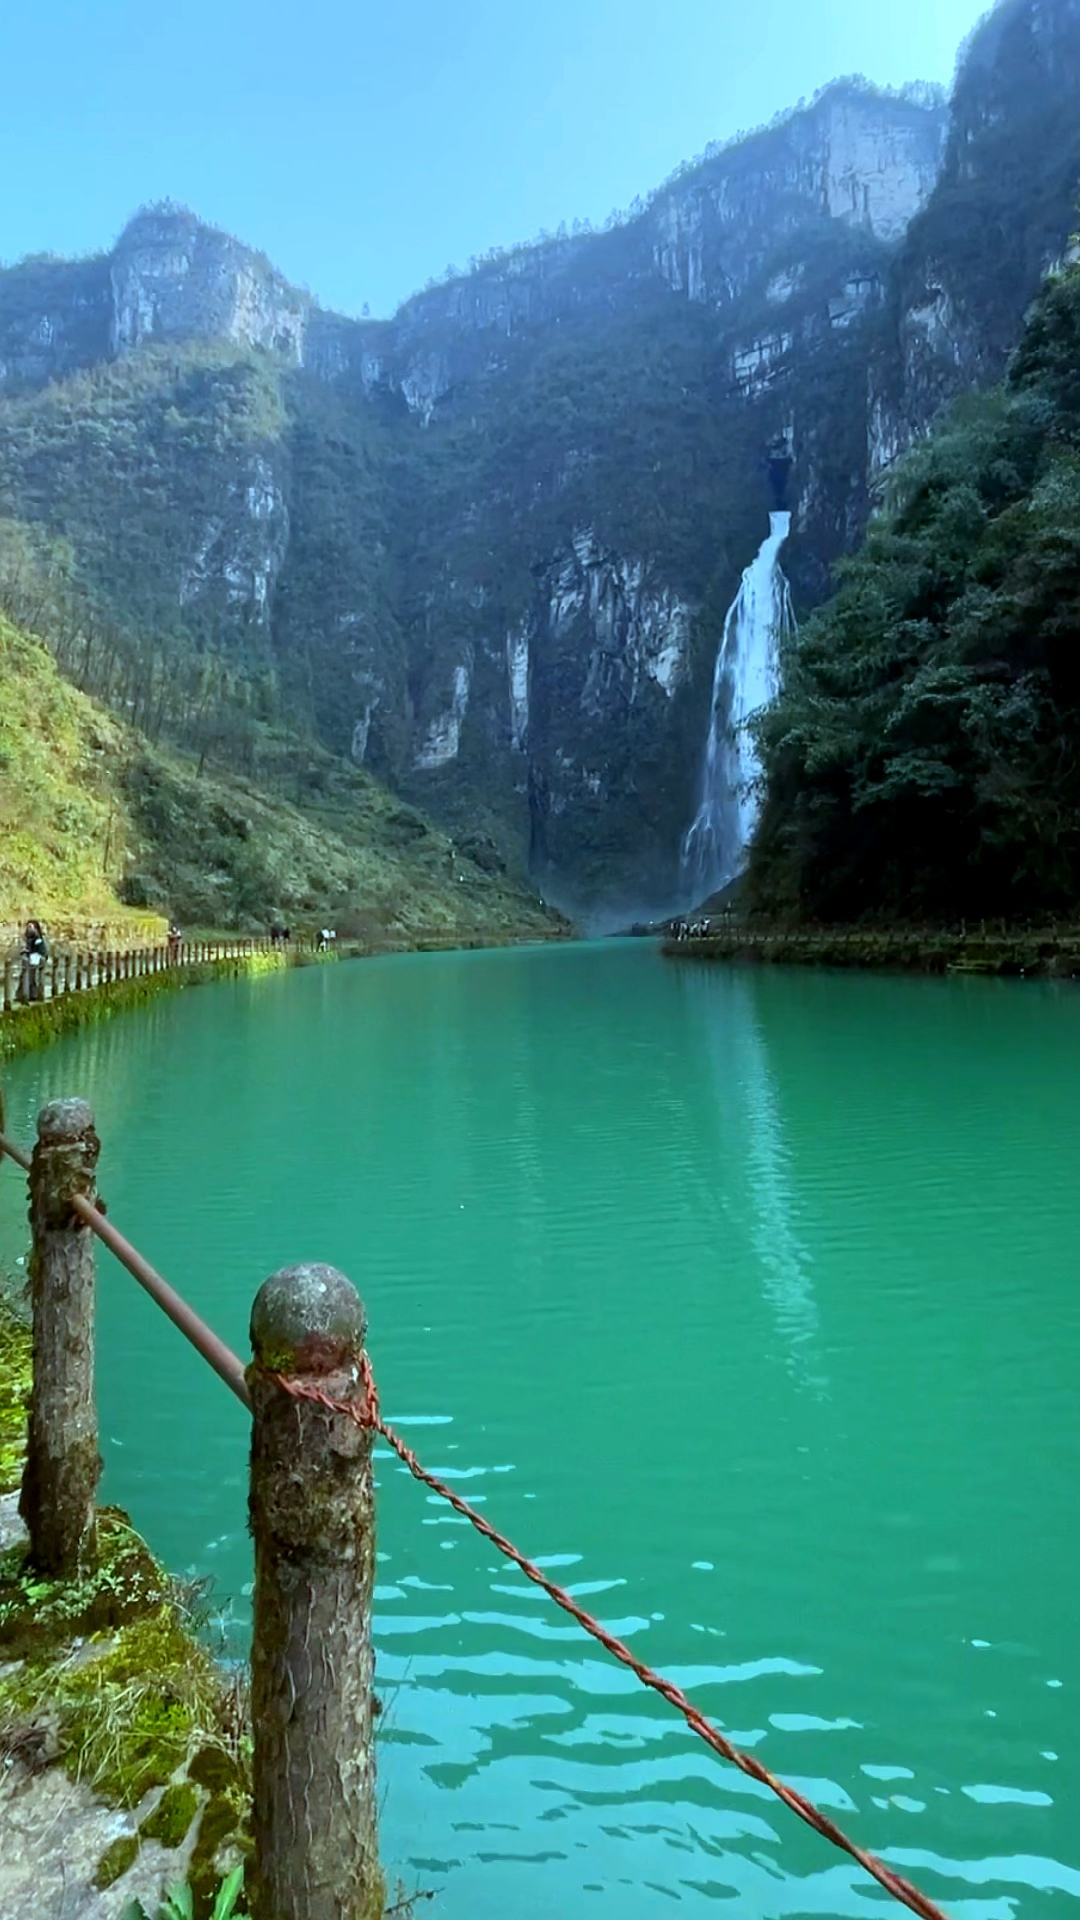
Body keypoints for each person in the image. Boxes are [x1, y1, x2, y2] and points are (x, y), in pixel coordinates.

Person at [20, 920, 49, 1002]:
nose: (29, 929)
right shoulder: (29, 938)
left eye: (30, 927)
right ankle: (27, 994)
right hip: (32, 959)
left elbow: (40, 951)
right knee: (28, 976)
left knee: (33, 976)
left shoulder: (38, 939)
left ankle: (33, 994)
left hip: (37, 959)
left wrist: (28, 951)